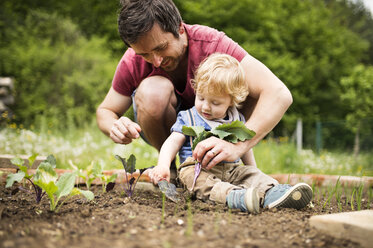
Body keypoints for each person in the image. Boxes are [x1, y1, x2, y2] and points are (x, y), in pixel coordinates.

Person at [96, 0, 292, 181]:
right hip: (173, 133)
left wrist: (239, 146)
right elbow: (105, 111)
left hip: (221, 128)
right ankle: (169, 171)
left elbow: (279, 94)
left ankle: (230, 168)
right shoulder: (133, 60)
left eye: (161, 47)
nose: (156, 61)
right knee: (152, 91)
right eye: (144, 54)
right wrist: (114, 125)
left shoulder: (213, 45)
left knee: (243, 86)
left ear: (180, 28)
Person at [147, 53, 312, 213]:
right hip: (198, 168)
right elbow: (173, 141)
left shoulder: (236, 120)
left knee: (252, 175)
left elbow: (245, 147)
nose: (205, 107)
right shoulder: (188, 117)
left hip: (232, 169)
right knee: (196, 180)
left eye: (215, 102)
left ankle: (274, 193)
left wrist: (253, 171)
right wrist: (163, 165)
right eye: (201, 98)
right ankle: (234, 196)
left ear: (231, 101)